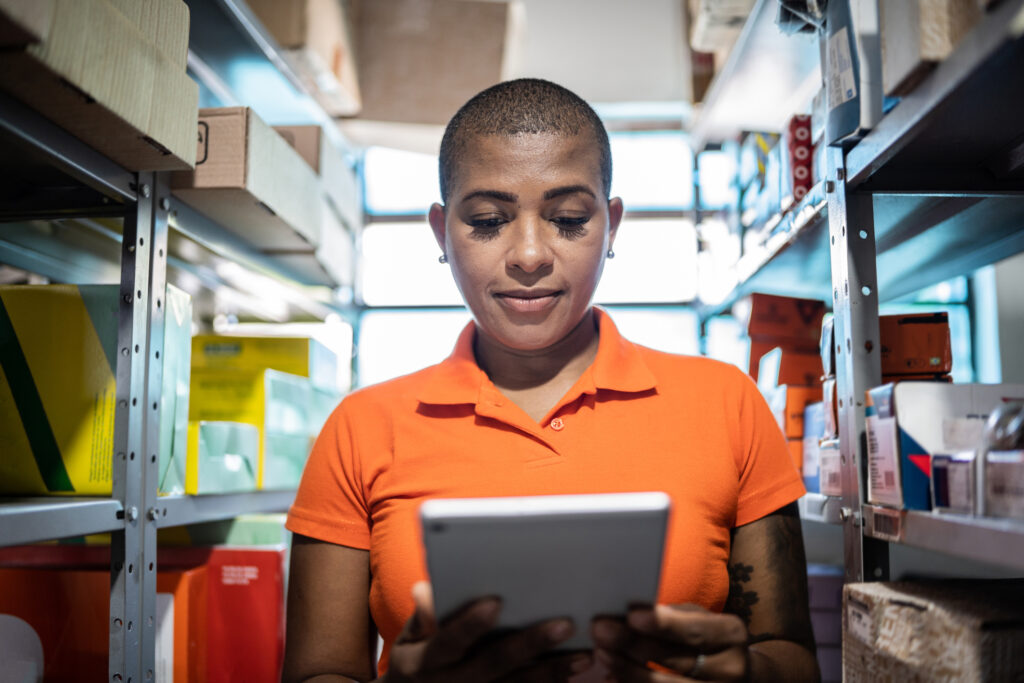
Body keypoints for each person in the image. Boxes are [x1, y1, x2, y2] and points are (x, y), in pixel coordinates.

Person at [282, 78, 819, 683]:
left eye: (568, 218)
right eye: (488, 220)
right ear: (440, 233)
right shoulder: (361, 429)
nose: (531, 255)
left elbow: (793, 657)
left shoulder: (728, 405)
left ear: (611, 226)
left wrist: (743, 675)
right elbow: (317, 672)